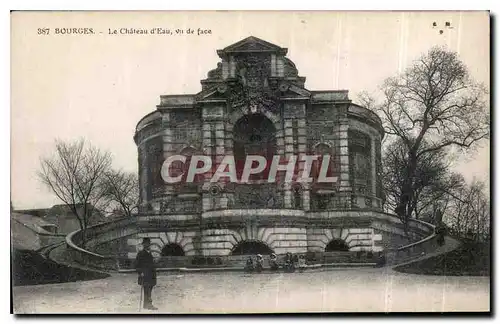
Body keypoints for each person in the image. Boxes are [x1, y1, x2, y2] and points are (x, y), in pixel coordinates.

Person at [135, 238, 158, 310]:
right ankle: (149, 305)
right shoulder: (140, 253)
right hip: (145, 276)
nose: (148, 245)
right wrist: (140, 272)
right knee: (147, 290)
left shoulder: (149, 253)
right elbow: (136, 265)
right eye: (146, 243)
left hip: (151, 275)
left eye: (149, 243)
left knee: (149, 290)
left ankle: (146, 305)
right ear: (143, 244)